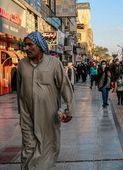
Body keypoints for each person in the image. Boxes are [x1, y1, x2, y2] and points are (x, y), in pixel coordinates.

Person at [17, 31, 74, 170]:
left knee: (48, 146)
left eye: (30, 45)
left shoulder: (54, 63)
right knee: (28, 147)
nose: (27, 48)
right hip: (27, 115)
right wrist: (21, 111)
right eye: (25, 45)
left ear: (40, 46)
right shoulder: (22, 64)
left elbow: (65, 87)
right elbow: (19, 89)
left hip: (48, 115)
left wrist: (69, 110)